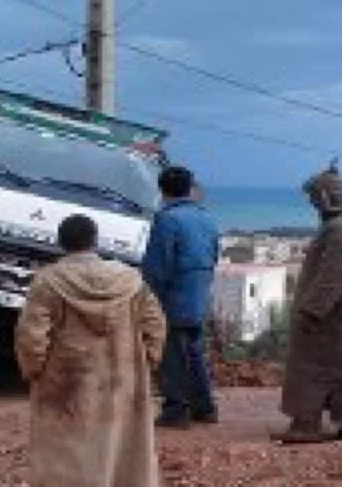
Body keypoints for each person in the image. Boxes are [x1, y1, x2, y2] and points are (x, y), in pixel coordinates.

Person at [14, 214, 167, 487]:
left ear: (61, 243)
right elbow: (155, 325)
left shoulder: (49, 281)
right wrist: (149, 363)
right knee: (120, 447)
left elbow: (31, 334)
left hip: (67, 382)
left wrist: (33, 369)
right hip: (122, 379)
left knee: (67, 449)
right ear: (95, 241)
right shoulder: (130, 281)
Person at [272, 161, 342, 443]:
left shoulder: (340, 229)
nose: (313, 204)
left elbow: (334, 276)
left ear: (326, 197)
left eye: (314, 199)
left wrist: (311, 311)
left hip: (332, 320)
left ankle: (306, 425)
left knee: (311, 370)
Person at [142, 165, 220, 428]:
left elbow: (157, 265)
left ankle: (176, 410)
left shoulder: (166, 220)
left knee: (172, 353)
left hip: (173, 296)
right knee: (195, 351)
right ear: (190, 188)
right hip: (199, 295)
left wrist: (147, 297)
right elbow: (214, 256)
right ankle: (205, 407)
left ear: (162, 191)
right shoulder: (207, 218)